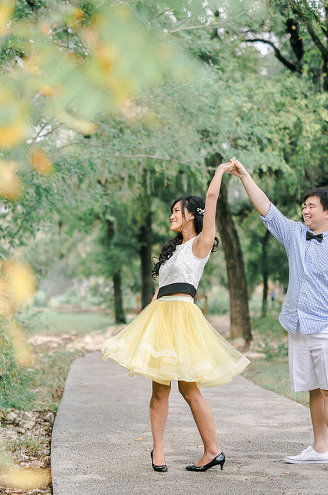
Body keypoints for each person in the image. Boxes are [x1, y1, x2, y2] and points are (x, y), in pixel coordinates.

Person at [101, 162, 250, 473]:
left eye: (176, 211)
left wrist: (220, 172)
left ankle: (213, 450)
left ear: (191, 215)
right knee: (160, 389)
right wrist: (145, 322)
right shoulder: (171, 251)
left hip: (183, 320)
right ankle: (158, 451)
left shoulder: (201, 243)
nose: (171, 216)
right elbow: (160, 290)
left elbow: (211, 199)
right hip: (160, 318)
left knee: (188, 388)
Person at [229, 158, 328, 474]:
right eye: (304, 206)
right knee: (314, 389)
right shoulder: (295, 235)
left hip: (327, 328)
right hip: (298, 326)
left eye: (312, 206)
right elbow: (268, 210)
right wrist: (244, 175)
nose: (305, 210)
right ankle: (319, 448)